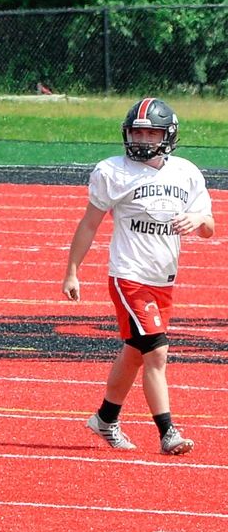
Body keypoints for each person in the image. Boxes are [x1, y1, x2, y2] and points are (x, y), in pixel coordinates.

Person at [64, 99, 212, 455]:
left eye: (151, 133)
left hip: (163, 279)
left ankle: (105, 418)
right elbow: (89, 224)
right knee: (156, 353)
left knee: (134, 352)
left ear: (168, 136)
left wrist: (197, 221)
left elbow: (209, 226)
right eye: (137, 132)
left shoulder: (186, 172)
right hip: (128, 275)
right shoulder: (113, 171)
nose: (143, 139)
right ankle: (168, 432)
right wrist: (72, 271)